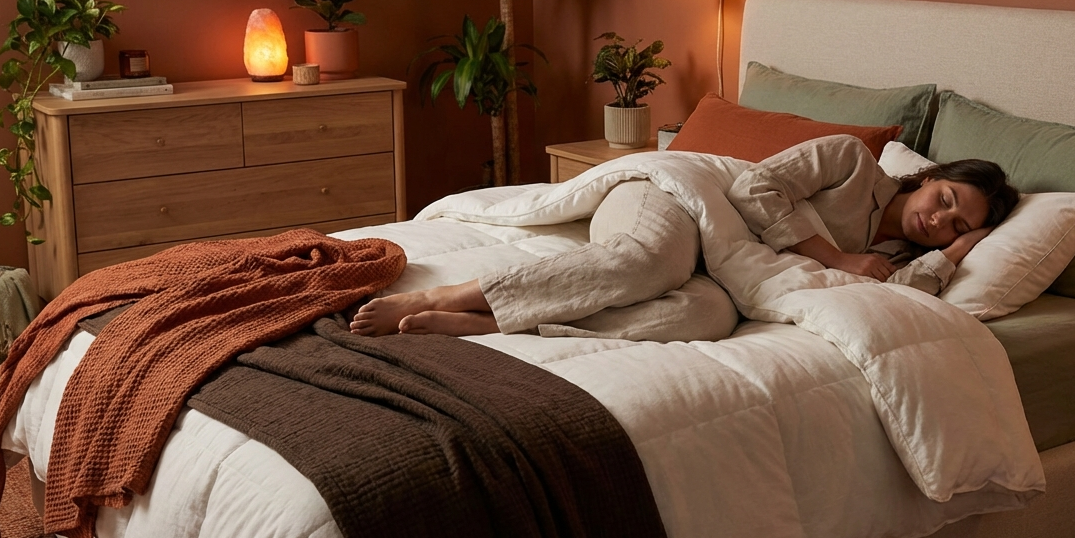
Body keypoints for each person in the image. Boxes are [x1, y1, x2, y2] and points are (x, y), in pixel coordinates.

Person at [349, 135, 1019, 338]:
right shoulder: (849, 161)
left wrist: (955, 257)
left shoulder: (899, 257)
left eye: (956, 225)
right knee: (645, 265)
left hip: (724, 267)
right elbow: (755, 187)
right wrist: (837, 256)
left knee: (702, 315)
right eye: (945, 201)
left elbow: (906, 293)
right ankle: (457, 295)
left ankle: (496, 326)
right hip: (675, 196)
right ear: (930, 177)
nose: (940, 219)